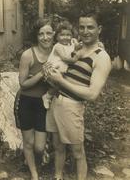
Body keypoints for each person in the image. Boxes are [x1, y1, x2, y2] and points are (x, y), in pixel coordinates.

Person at [45, 11, 112, 180]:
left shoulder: (101, 57)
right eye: (81, 27)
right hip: (56, 101)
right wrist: (51, 75)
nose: (85, 31)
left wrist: (60, 80)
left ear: (99, 29)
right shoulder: (77, 48)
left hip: (72, 106)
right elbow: (63, 67)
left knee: (77, 152)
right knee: (58, 146)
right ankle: (58, 176)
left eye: (90, 27)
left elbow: (92, 94)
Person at [14, 18, 55, 180]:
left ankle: (41, 154)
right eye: (41, 34)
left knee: (39, 147)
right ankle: (34, 174)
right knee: (29, 143)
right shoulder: (27, 55)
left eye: (48, 33)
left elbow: (76, 51)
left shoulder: (57, 53)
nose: (45, 37)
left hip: (45, 104)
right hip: (27, 102)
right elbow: (23, 84)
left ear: (53, 34)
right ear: (36, 36)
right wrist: (41, 73)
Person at [42, 20, 82, 109]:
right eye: (62, 35)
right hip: (53, 69)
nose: (65, 37)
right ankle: (47, 96)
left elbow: (77, 46)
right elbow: (65, 58)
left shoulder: (70, 44)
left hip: (62, 70)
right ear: (57, 37)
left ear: (72, 36)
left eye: (68, 35)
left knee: (64, 84)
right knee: (60, 84)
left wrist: (76, 45)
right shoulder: (58, 46)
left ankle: (54, 98)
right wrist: (75, 58)